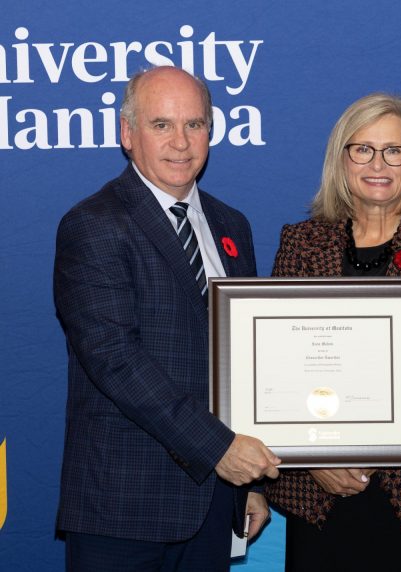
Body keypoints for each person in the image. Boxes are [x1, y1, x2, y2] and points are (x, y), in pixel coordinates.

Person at [53, 66, 281, 571]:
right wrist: (220, 448)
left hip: (216, 502)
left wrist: (251, 484)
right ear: (127, 133)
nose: (181, 142)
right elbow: (113, 358)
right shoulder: (93, 224)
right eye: (161, 125)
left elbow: (241, 359)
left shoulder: (231, 224)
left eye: (195, 125)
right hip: (124, 507)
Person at [265, 93, 401, 571]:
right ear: (342, 158)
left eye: (394, 151)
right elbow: (278, 370)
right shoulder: (300, 243)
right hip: (320, 491)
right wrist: (313, 457)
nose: (378, 164)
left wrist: (374, 447)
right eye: (363, 149)